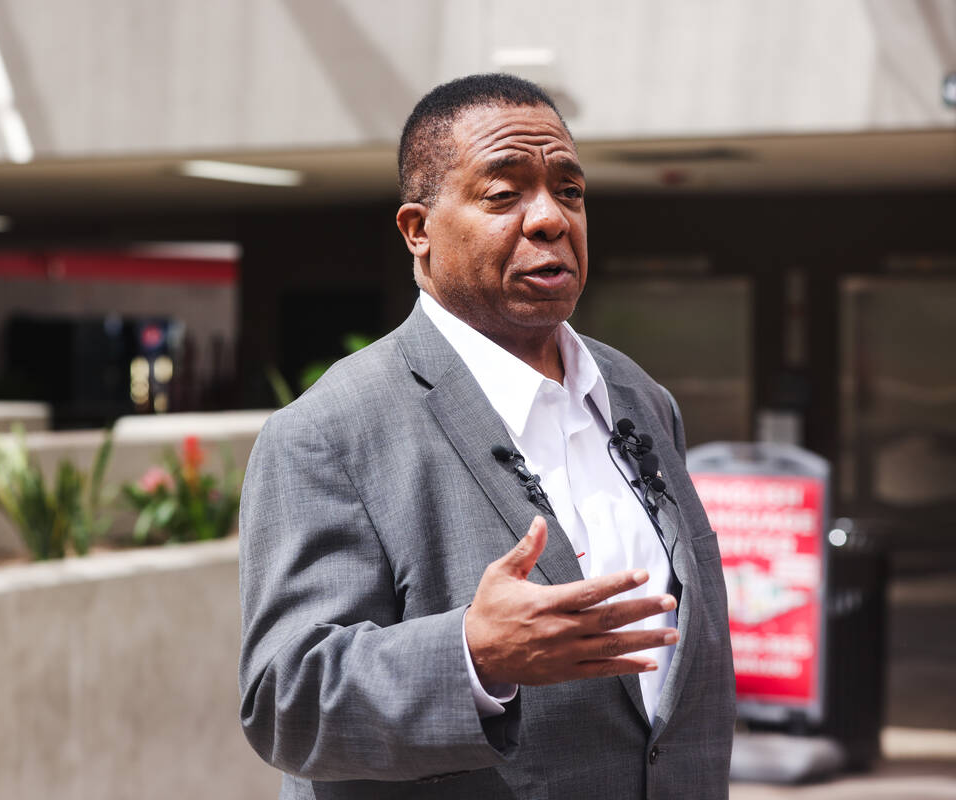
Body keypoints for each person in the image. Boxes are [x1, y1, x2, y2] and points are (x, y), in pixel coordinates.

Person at [238, 73, 735, 799]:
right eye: (504, 194)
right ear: (418, 231)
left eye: (569, 190)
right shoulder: (328, 433)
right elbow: (286, 703)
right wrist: (472, 654)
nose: (551, 219)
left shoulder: (639, 397)